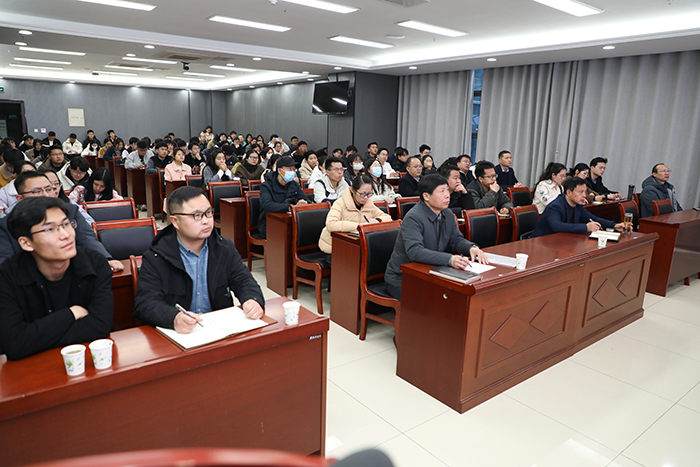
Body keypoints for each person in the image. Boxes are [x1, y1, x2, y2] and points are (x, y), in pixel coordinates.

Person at [133, 187, 265, 333]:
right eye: (197, 215)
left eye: (208, 213)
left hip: (220, 329)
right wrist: (174, 318)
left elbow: (244, 281)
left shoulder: (224, 248)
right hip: (180, 334)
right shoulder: (156, 256)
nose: (206, 221)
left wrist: (252, 299)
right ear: (175, 221)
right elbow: (145, 303)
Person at [0, 197, 113, 360]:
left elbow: (100, 326)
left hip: (88, 360)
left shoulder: (94, 263)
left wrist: (36, 339)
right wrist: (71, 314)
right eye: (50, 229)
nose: (66, 235)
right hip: (34, 367)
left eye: (66, 224)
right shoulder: (8, 275)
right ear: (26, 243)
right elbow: (14, 343)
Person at [384, 174, 488, 300]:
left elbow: (456, 240)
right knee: (437, 301)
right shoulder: (413, 217)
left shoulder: (447, 213)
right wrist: (450, 259)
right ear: (426, 196)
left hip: (431, 272)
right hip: (403, 278)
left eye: (447, 190)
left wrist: (471, 248)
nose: (447, 195)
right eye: (441, 191)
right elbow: (415, 252)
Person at [0, 171, 123, 272]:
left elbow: (87, 238)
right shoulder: (5, 225)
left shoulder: (71, 211)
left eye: (49, 189)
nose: (45, 195)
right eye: (36, 191)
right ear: (20, 198)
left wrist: (104, 259)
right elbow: (5, 264)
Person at [319, 175, 392, 254]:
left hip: (357, 247)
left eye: (369, 194)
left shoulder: (369, 204)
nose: (366, 197)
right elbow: (331, 224)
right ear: (353, 190)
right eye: (362, 194)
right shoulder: (340, 203)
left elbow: (388, 218)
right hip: (335, 248)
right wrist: (359, 226)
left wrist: (377, 220)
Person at [531, 177, 623, 238]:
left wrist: (614, 225)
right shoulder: (555, 206)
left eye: (585, 192)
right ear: (569, 192)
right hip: (542, 243)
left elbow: (593, 218)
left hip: (561, 242)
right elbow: (557, 226)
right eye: (580, 192)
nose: (584, 195)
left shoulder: (577, 206)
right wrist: (585, 227)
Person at [258, 156, 309, 238]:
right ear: (279, 170)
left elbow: (306, 199)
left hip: (292, 221)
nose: (292, 172)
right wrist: (290, 207)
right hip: (270, 223)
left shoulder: (294, 184)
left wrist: (304, 203)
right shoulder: (266, 186)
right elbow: (266, 205)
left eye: (293, 169)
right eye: (289, 169)